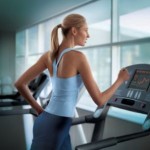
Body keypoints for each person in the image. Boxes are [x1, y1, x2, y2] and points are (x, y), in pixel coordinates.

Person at [15, 13, 130, 150]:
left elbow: (20, 83)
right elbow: (100, 100)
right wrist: (120, 80)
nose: (88, 35)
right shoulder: (78, 57)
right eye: (86, 30)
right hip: (57, 124)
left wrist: (39, 109)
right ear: (74, 31)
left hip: (46, 121)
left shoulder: (49, 56)